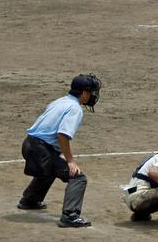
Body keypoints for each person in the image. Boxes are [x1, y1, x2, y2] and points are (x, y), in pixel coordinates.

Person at [17, 73, 102, 228]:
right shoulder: (75, 108)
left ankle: (30, 200)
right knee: (77, 177)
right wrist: (70, 161)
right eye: (91, 92)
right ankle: (70, 215)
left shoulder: (60, 101)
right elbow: (62, 135)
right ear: (84, 93)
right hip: (40, 150)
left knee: (50, 167)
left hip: (29, 144)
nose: (93, 96)